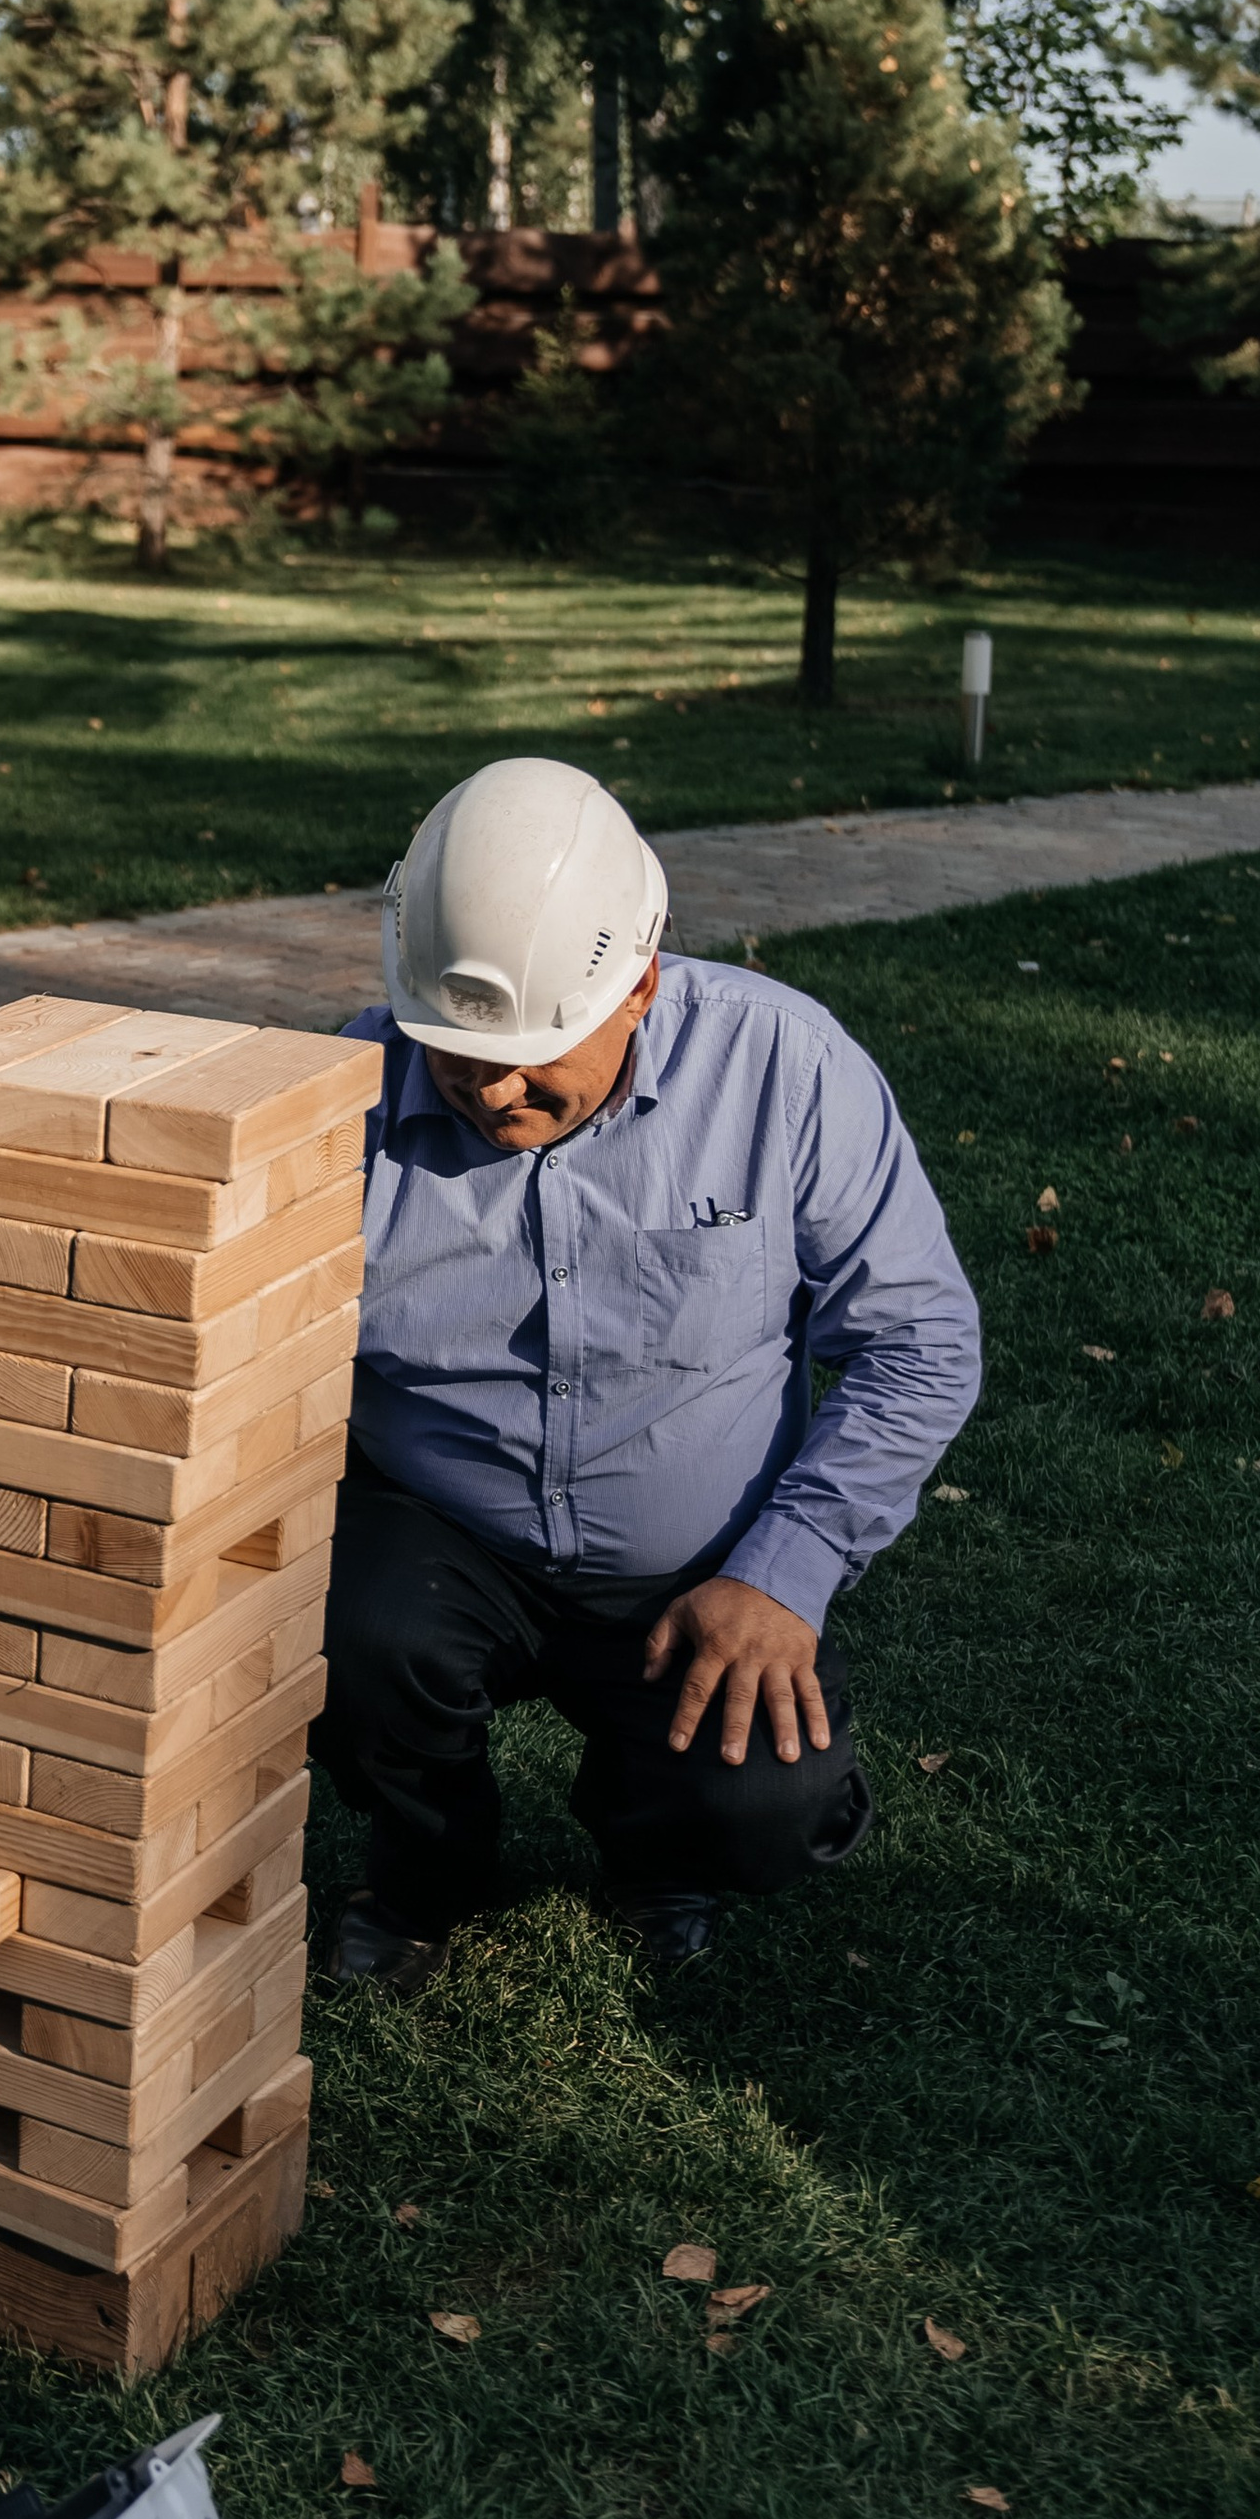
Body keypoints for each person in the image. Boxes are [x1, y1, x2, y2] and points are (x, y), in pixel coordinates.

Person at [317, 754, 979, 1988]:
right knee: (344, 1633)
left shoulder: (784, 1066)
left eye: (534, 1050)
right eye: (457, 1055)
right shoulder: (337, 1100)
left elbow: (917, 1341)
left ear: (642, 983)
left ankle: (655, 1848)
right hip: (441, 1533)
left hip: (704, 1567)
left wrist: (786, 1577)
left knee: (766, 1806)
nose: (494, 1090)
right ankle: (427, 1871)